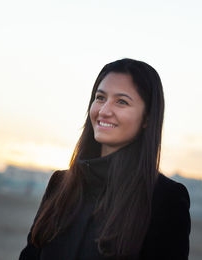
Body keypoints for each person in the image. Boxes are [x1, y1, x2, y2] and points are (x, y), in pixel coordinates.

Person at [19, 58, 191, 260]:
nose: (104, 111)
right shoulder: (60, 185)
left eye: (121, 102)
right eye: (100, 98)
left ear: (147, 118)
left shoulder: (165, 198)